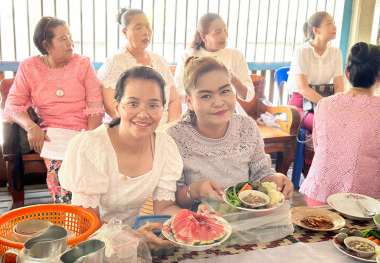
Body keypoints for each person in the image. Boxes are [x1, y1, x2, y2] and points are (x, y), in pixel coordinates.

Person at [59, 66, 211, 251]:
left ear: (162, 109)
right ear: (117, 107)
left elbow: (164, 208)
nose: (143, 114)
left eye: (153, 105)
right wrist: (133, 237)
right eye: (133, 104)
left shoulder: (165, 146)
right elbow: (86, 223)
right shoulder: (92, 147)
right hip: (91, 244)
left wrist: (188, 219)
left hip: (135, 238)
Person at [166, 56, 293, 209]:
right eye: (206, 96)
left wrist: (275, 179)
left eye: (225, 91)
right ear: (190, 102)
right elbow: (171, 198)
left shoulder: (247, 127)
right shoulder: (175, 137)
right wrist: (195, 191)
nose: (219, 102)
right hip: (198, 221)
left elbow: (261, 174)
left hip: (247, 218)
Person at [3, 16, 104, 204]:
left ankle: (92, 216)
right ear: (46, 44)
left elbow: (95, 104)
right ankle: (68, 215)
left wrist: (90, 138)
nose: (70, 43)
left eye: (70, 37)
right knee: (62, 173)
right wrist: (31, 127)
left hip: (85, 131)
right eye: (63, 39)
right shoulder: (29, 66)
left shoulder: (83, 63)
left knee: (92, 170)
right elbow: (13, 105)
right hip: (53, 134)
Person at [299, 42, 380, 206]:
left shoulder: (324, 104)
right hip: (365, 203)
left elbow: (318, 145)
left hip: (318, 195)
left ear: (347, 74)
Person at [98, 8, 181, 126]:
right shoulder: (114, 62)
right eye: (138, 28)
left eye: (148, 26)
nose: (145, 32)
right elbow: (112, 108)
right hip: (132, 130)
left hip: (166, 130)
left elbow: (174, 100)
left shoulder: (160, 60)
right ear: (125, 32)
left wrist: (171, 129)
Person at [174, 13, 255, 104]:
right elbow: (178, 91)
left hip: (227, 109)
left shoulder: (235, 55)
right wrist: (203, 98)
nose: (224, 36)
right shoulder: (188, 55)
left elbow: (249, 96)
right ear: (203, 37)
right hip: (197, 112)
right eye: (218, 32)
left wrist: (235, 81)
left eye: (225, 30)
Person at [287, 11, 344, 132]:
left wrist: (336, 105)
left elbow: (339, 86)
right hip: (300, 105)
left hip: (325, 104)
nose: (335, 27)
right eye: (329, 23)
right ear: (316, 30)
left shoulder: (336, 52)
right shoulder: (302, 51)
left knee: (345, 123)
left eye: (334, 23)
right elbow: (303, 89)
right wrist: (327, 106)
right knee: (325, 125)